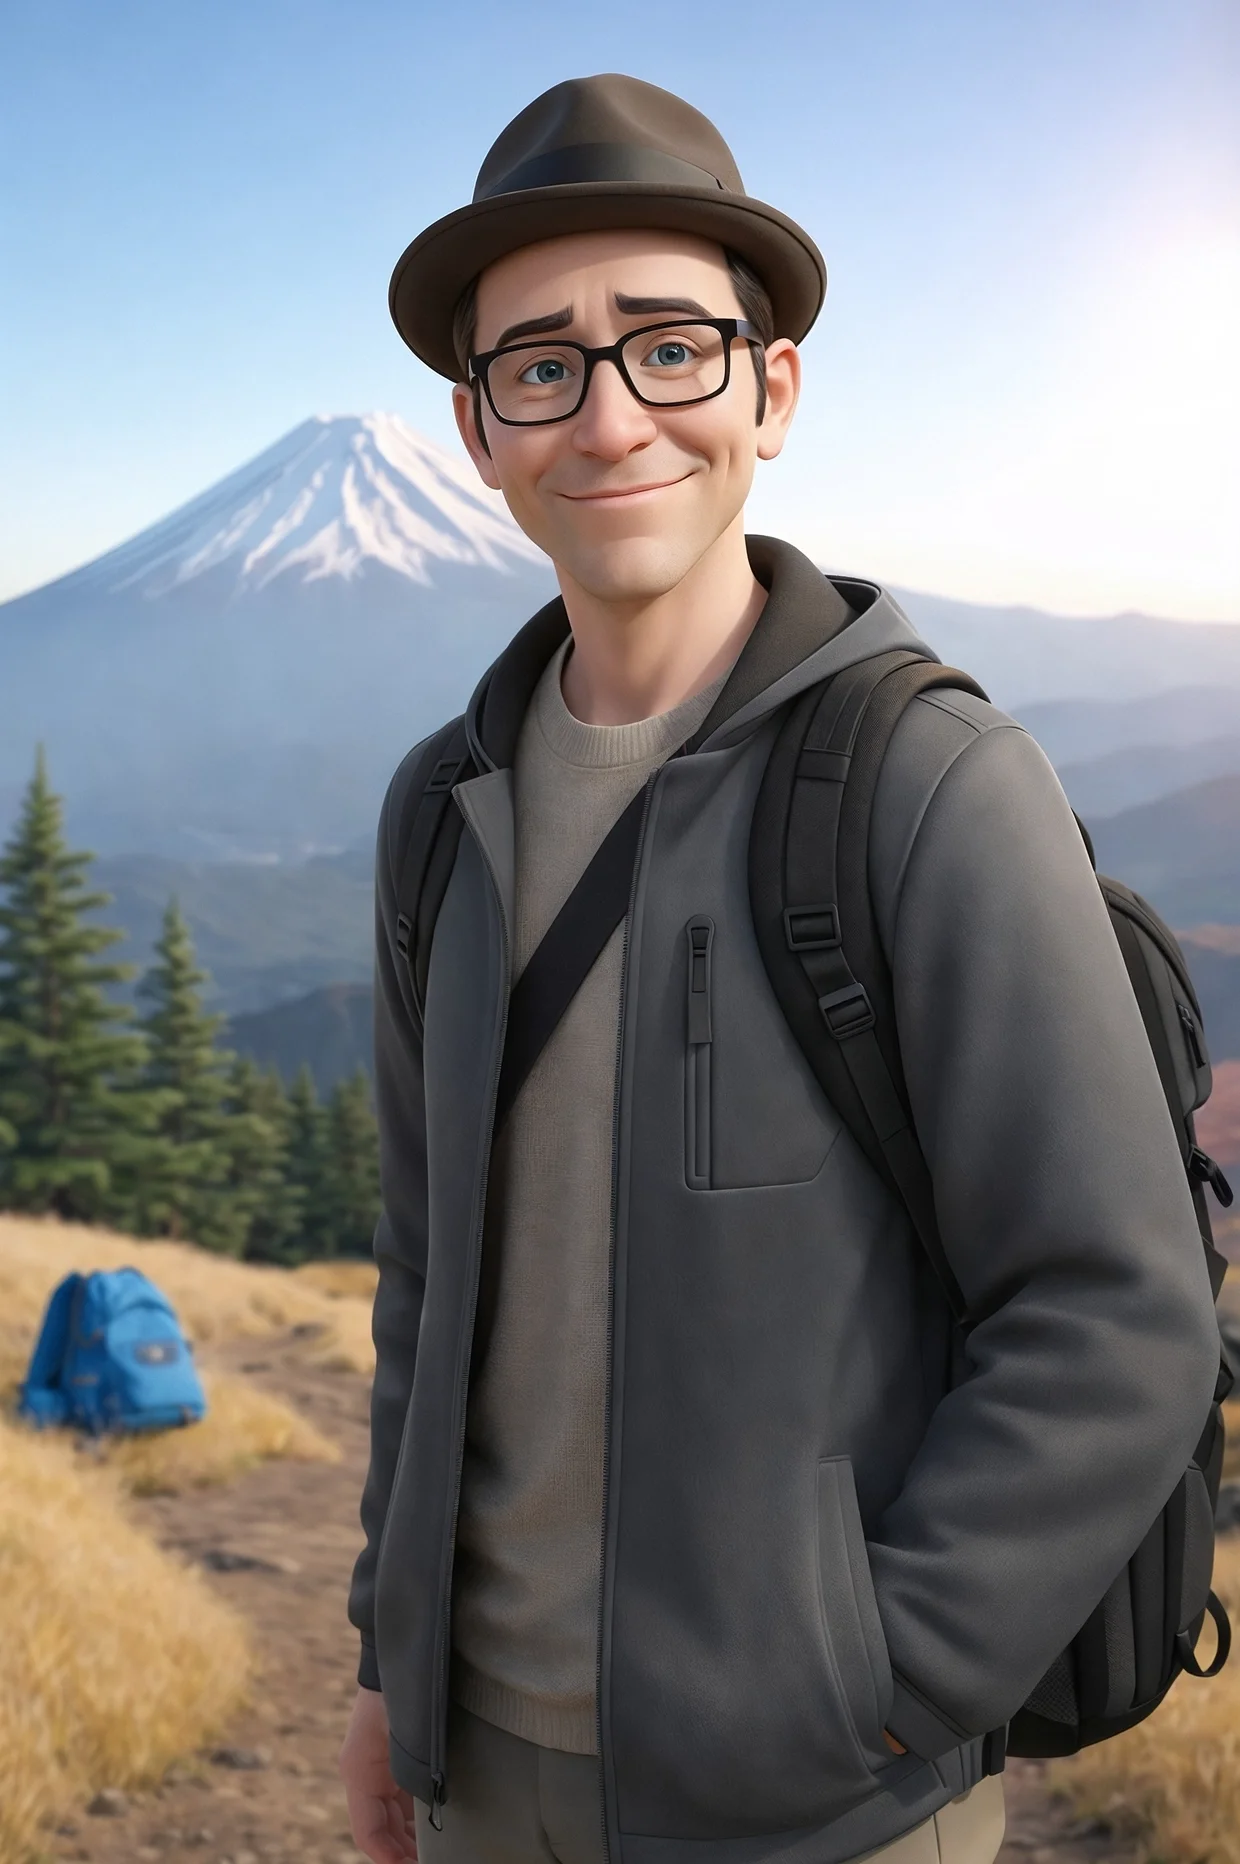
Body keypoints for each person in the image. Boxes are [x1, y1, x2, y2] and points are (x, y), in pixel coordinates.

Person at [339, 73, 1220, 1864]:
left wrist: (881, 1683)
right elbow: (425, 1286)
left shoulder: (928, 789)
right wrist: (386, 1668)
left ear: (772, 387)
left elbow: (1118, 1316)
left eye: (671, 345)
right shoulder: (445, 811)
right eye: (543, 364)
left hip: (827, 1802)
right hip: (478, 1772)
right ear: (476, 425)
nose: (609, 417)